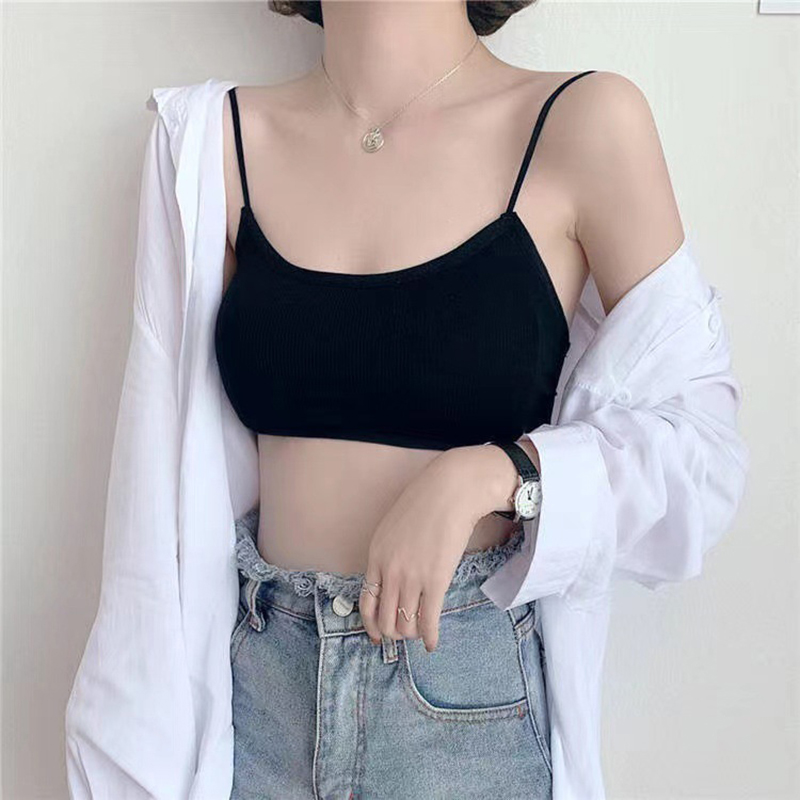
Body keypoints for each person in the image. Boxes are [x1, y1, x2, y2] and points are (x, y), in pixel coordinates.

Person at [65, 2, 750, 799]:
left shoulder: (584, 123)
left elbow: (702, 452)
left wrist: (502, 473)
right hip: (257, 699)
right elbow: (151, 509)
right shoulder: (207, 142)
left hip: (465, 706)